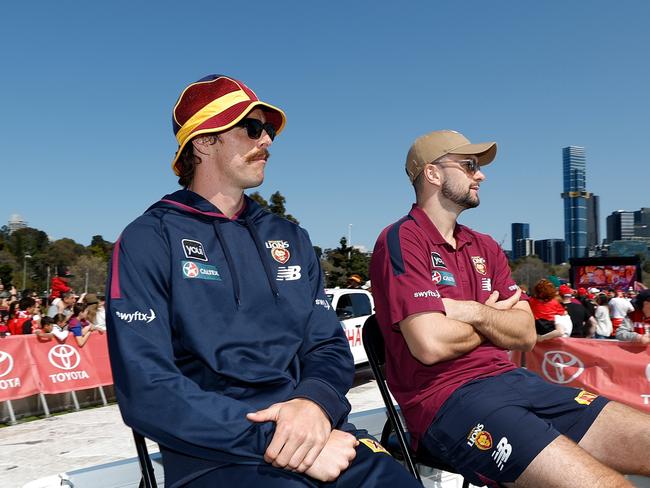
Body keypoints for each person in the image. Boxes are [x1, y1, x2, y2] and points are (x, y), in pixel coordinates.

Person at [106, 74, 419, 488]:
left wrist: (314, 404)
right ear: (203, 141)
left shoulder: (289, 237)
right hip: (218, 456)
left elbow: (326, 345)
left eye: (268, 130)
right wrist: (277, 439)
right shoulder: (149, 238)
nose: (267, 141)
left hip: (319, 431)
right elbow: (147, 389)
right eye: (251, 129)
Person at [370, 129, 650, 487]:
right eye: (470, 166)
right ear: (433, 174)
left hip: (515, 382)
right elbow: (431, 344)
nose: (480, 175)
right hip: (447, 401)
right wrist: (495, 320)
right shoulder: (402, 239)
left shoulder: (484, 245)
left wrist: (472, 311)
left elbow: (526, 334)